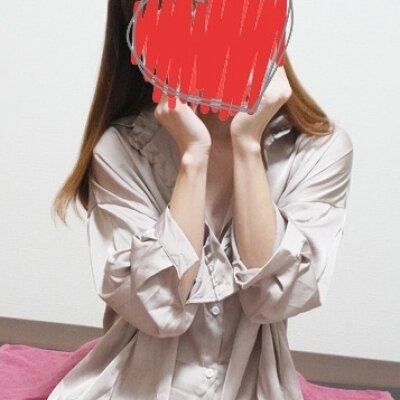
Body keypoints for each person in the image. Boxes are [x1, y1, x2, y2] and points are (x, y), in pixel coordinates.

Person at [0, 1, 392, 400]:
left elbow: (273, 298)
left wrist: (247, 146)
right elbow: (159, 310)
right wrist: (193, 158)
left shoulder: (320, 152)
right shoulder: (122, 149)